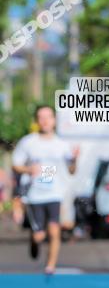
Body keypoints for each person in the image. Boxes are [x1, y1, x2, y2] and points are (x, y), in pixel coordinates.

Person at [11, 105, 79, 274]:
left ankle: (50, 266)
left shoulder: (62, 145)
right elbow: (16, 165)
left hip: (54, 193)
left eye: (48, 117)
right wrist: (28, 170)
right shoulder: (28, 142)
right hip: (34, 195)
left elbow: (71, 171)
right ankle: (34, 241)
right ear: (37, 121)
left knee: (55, 229)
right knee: (39, 235)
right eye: (41, 117)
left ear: (54, 120)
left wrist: (76, 160)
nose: (45, 121)